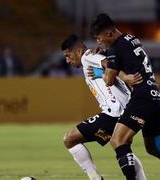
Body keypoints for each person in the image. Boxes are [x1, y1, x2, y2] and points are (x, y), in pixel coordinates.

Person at [89, 13, 160, 180]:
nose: (98, 42)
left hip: (142, 97)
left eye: (98, 38)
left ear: (109, 33)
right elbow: (125, 58)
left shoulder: (115, 48)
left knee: (118, 140)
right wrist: (109, 53)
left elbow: (108, 79)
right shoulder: (132, 39)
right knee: (154, 148)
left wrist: (104, 66)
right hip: (156, 96)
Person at [61, 35, 146, 180]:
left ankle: (95, 178)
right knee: (122, 148)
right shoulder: (93, 56)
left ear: (79, 50)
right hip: (126, 110)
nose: (67, 60)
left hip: (114, 113)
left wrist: (125, 77)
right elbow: (110, 64)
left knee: (70, 139)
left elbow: (109, 64)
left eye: (68, 55)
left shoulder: (87, 57)